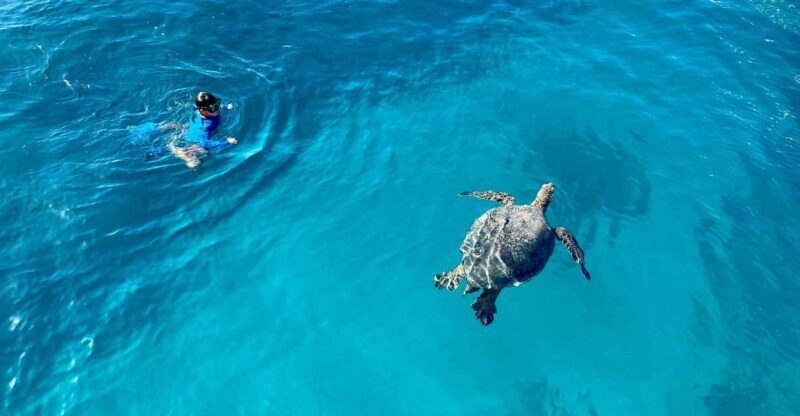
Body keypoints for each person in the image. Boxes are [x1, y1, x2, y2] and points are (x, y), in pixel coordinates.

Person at [167, 91, 237, 168]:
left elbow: (215, 107)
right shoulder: (207, 125)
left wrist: (226, 107)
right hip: (198, 140)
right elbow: (206, 143)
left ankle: (183, 151)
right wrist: (226, 142)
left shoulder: (208, 109)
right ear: (203, 111)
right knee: (200, 154)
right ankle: (183, 153)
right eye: (214, 108)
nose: (217, 109)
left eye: (218, 103)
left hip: (190, 131)